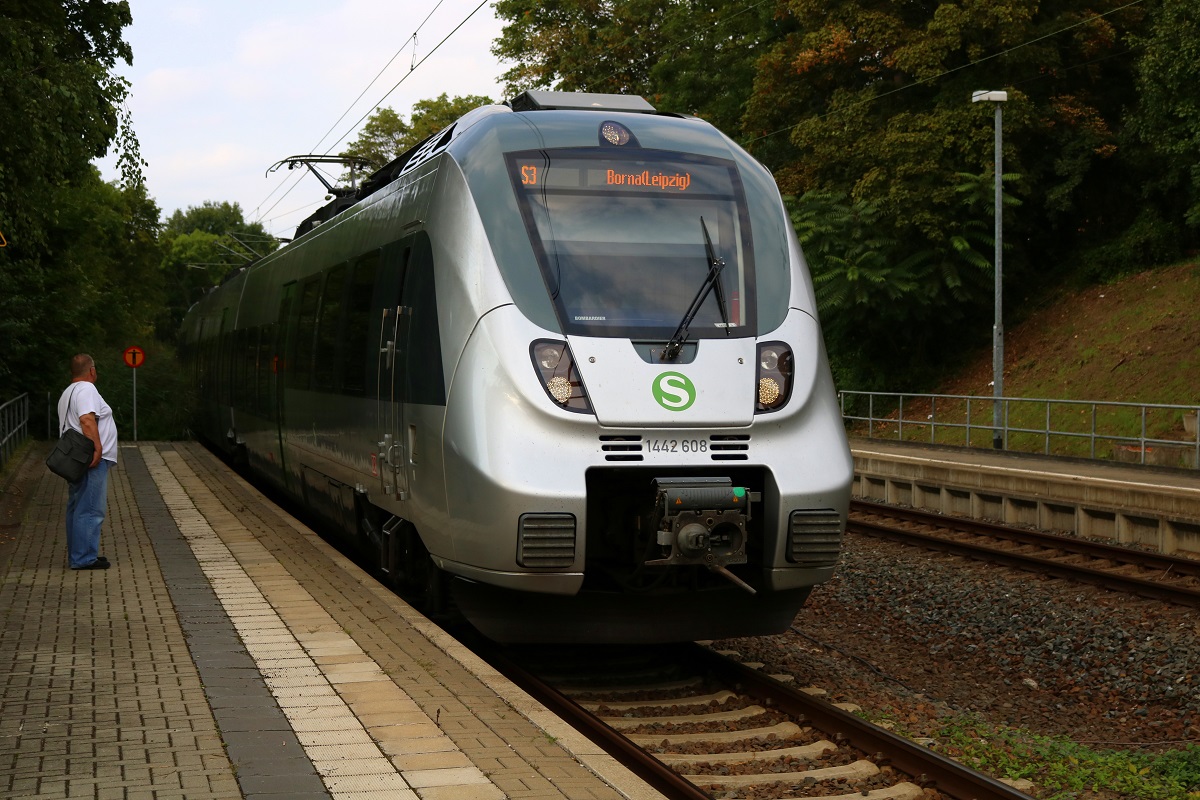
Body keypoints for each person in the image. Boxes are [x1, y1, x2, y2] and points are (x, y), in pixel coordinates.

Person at [57, 353, 117, 570]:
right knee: (91, 508)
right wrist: (97, 448)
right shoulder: (87, 389)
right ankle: (83, 558)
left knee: (76, 506)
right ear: (92, 370)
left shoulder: (68, 392)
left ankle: (80, 553)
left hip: (76, 458)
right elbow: (86, 419)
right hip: (89, 459)